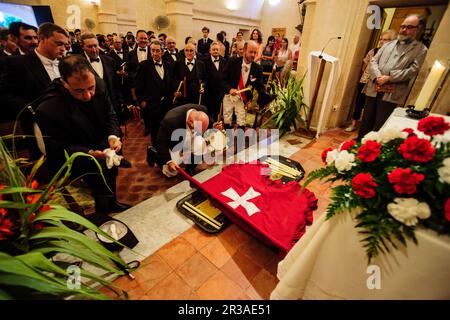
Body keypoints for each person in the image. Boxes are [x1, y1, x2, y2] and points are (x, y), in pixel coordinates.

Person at [35, 55, 131, 215]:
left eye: (90, 88)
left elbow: (110, 114)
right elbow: (58, 146)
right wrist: (90, 153)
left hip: (103, 143)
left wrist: (112, 136)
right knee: (97, 185)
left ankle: (112, 203)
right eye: (78, 91)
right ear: (64, 83)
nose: (87, 95)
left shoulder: (99, 83)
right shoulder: (48, 108)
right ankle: (102, 215)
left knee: (111, 173)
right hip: (79, 154)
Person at [357, 14, 428, 139]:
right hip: (374, 88)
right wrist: (378, 76)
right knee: (366, 122)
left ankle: (373, 151)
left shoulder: (420, 49)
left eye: (409, 27)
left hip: (392, 93)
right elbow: (373, 61)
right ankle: (359, 146)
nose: (404, 30)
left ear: (418, 29)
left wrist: (389, 78)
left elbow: (413, 70)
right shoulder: (388, 44)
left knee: (381, 125)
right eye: (402, 26)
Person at [0, 23, 68, 135]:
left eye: (65, 45)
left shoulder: (66, 63)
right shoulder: (16, 63)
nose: (63, 49)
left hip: (69, 123)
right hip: (39, 127)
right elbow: (4, 94)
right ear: (42, 39)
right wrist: (32, 110)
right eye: (59, 44)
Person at [345, 30, 397, 132]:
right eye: (381, 39)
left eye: (385, 40)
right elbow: (365, 65)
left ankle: (370, 128)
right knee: (359, 103)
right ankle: (354, 124)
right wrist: (367, 76)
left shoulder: (393, 55)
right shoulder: (373, 51)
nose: (382, 41)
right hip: (365, 80)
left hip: (380, 84)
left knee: (372, 107)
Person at [153, 104, 223, 177]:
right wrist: (169, 161)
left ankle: (190, 167)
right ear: (190, 122)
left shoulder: (202, 109)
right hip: (174, 141)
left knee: (201, 145)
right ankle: (153, 154)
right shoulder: (170, 120)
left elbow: (209, 121)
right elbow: (161, 142)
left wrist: (214, 125)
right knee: (172, 172)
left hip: (191, 133)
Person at [135, 40, 173, 143]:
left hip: (166, 105)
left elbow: (170, 84)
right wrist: (142, 101)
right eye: (153, 51)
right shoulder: (144, 66)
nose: (155, 53)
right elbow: (138, 85)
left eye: (157, 50)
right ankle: (156, 152)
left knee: (166, 129)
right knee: (155, 132)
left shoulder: (168, 65)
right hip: (151, 105)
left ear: (162, 52)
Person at [221, 40, 264, 129]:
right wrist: (229, 89)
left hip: (243, 99)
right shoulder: (232, 61)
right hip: (229, 96)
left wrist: (267, 100)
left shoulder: (258, 69)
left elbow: (260, 88)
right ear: (244, 51)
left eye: (255, 52)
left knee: (241, 123)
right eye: (250, 52)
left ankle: (239, 142)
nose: (253, 55)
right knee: (227, 120)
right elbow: (222, 80)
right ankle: (228, 142)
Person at [81, 33, 122, 119]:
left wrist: (119, 101)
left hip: (113, 106)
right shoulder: (79, 64)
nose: (94, 50)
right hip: (93, 109)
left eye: (95, 46)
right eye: (89, 46)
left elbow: (116, 83)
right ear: (83, 47)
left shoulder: (110, 61)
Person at [172, 42, 206, 107]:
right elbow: (173, 79)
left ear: (195, 52)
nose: (189, 53)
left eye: (191, 50)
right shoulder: (177, 63)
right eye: (187, 50)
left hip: (196, 98)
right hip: (182, 99)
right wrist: (175, 91)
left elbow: (205, 80)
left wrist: (203, 87)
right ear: (184, 52)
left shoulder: (201, 64)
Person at [202, 41, 226, 120]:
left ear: (219, 50)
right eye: (214, 49)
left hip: (220, 93)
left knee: (218, 114)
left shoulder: (224, 61)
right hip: (208, 92)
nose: (215, 51)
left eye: (217, 49)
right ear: (210, 51)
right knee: (207, 114)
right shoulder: (204, 61)